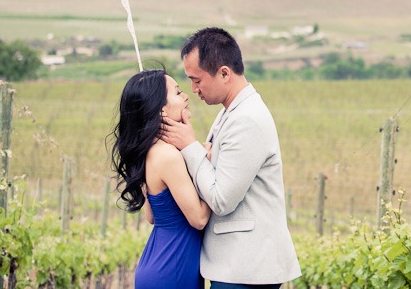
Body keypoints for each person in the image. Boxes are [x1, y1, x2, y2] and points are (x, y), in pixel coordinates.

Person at [160, 27, 301, 288]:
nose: (194, 89)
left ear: (224, 73)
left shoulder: (247, 118)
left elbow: (222, 199)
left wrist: (190, 147)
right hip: (237, 265)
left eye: (197, 80)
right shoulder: (233, 110)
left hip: (246, 267)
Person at [110, 69, 210, 289]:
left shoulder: (151, 151)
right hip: (172, 269)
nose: (185, 96)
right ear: (160, 110)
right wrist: (210, 164)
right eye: (177, 92)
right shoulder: (167, 156)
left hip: (161, 261)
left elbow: (152, 216)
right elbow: (200, 219)